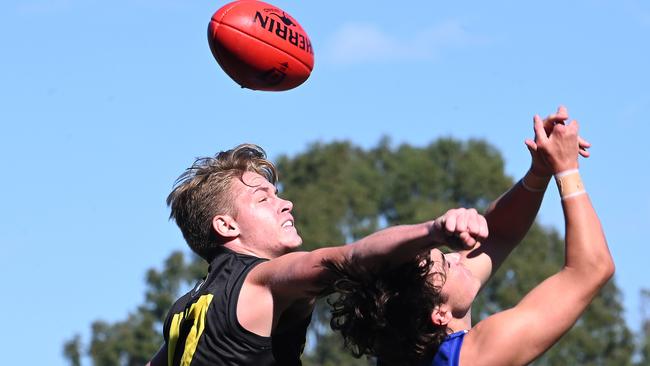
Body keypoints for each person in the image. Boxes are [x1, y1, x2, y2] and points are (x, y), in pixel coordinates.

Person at [146, 142, 490, 365]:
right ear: (226, 226)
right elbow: (349, 260)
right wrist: (435, 231)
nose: (285, 204)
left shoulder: (186, 310)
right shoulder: (259, 280)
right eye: (264, 199)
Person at [325, 106, 611, 366]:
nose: (457, 258)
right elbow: (591, 268)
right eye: (446, 265)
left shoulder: (401, 351)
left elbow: (496, 235)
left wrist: (539, 172)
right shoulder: (471, 357)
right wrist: (566, 168)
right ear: (440, 315)